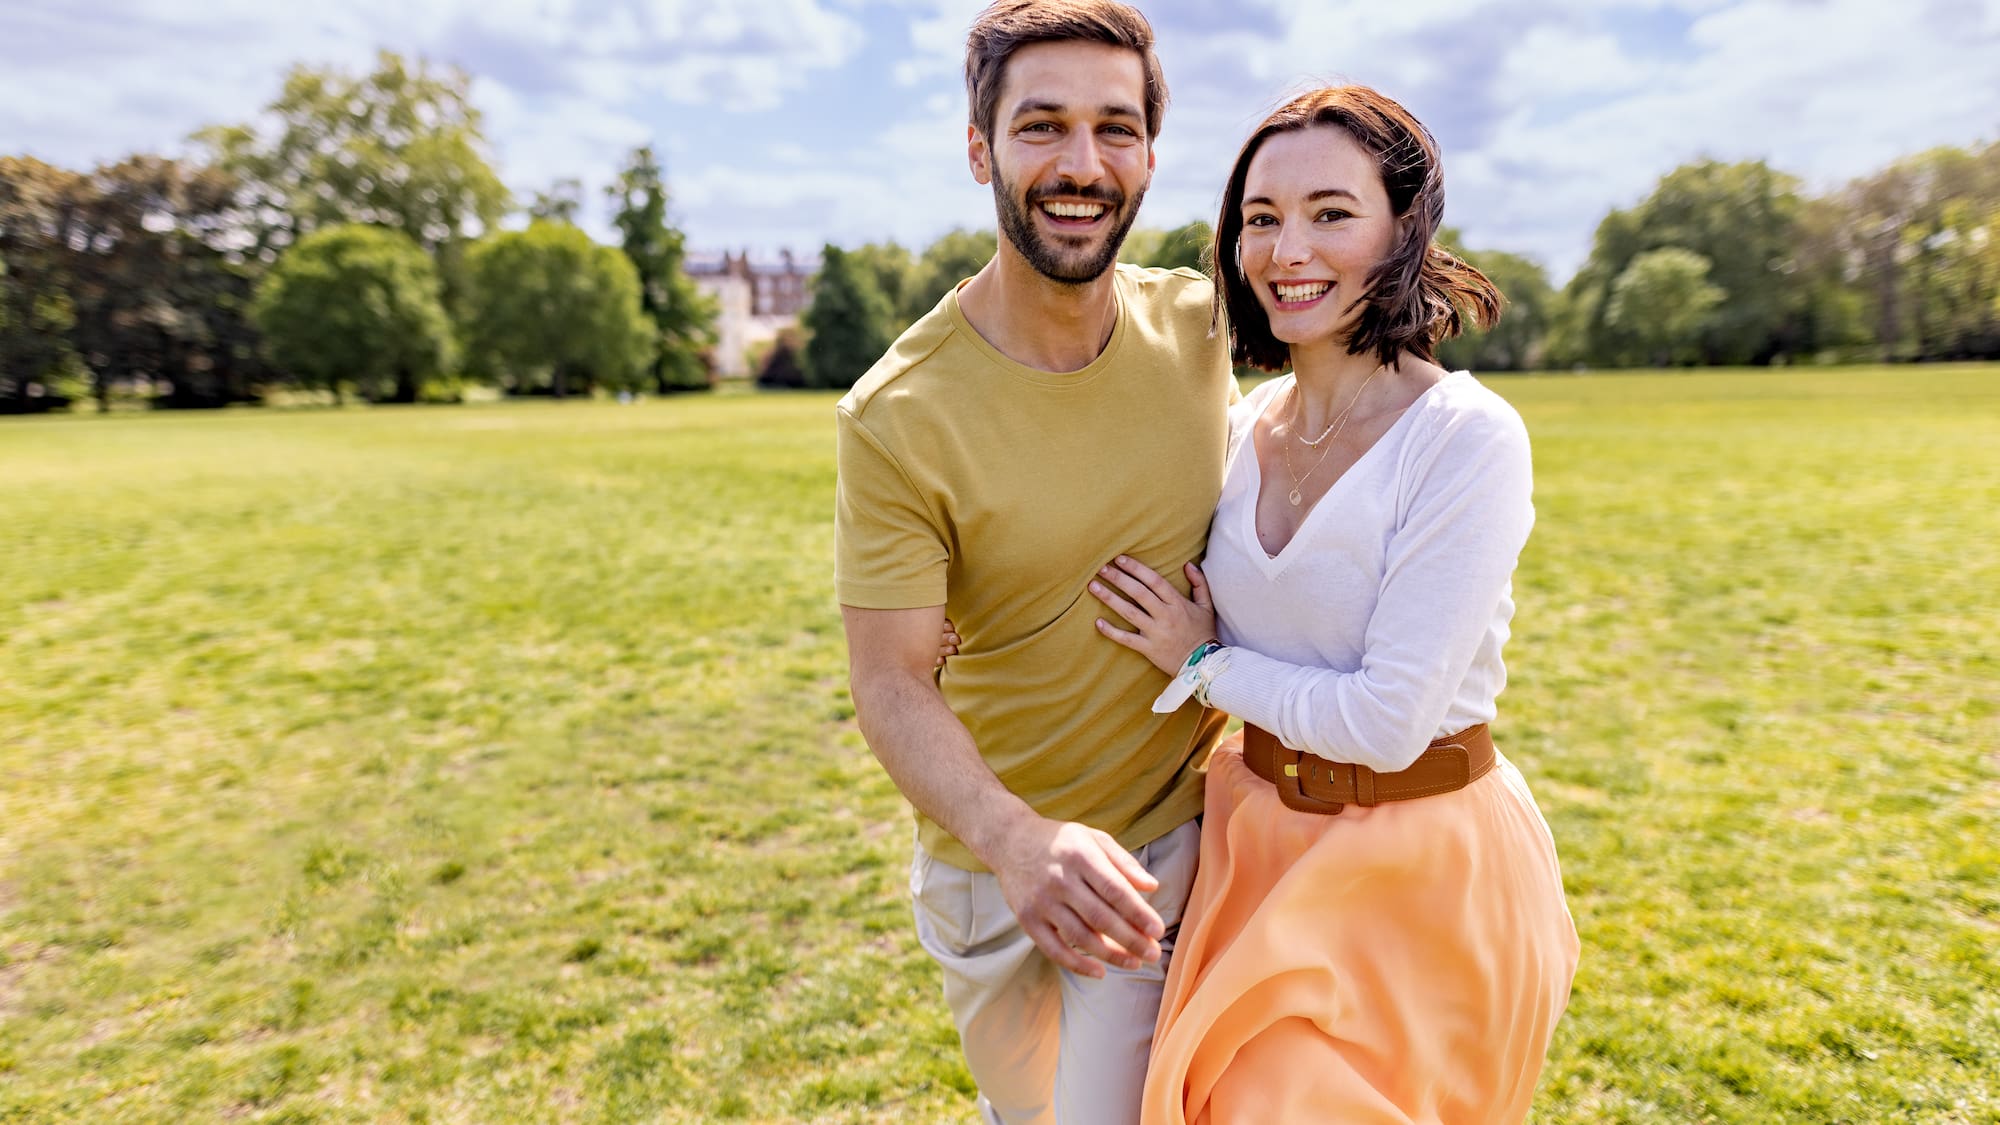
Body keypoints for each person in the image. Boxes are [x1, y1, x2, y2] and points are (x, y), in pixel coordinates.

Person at [1083, 86, 1581, 1123]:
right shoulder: (1235, 428)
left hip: (1414, 871)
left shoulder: (1464, 440)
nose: (1285, 248)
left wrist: (1202, 665)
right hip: (1247, 846)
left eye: (1329, 212)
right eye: (1259, 218)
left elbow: (1387, 722)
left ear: (1403, 229)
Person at [833, 2, 1236, 1121]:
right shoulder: (895, 414)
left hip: (1178, 841)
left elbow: (1345, 307)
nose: (1081, 163)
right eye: (1040, 126)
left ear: (1151, 153)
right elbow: (889, 679)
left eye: (1114, 129)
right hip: (989, 873)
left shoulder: (1204, 329)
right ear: (979, 149)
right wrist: (1017, 841)